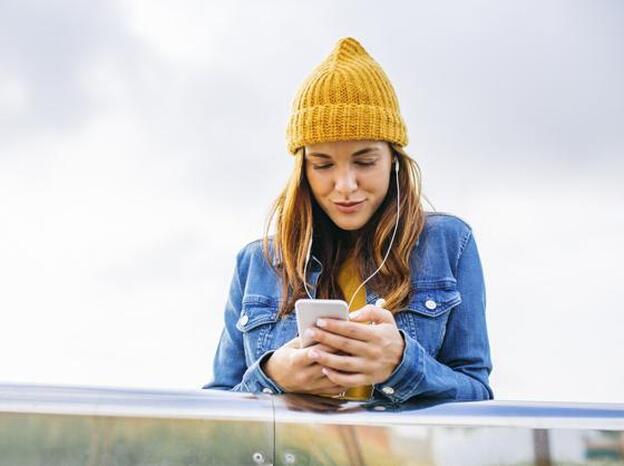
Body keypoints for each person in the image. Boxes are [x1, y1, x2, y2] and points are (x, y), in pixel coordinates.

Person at [203, 37, 493, 403]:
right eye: (322, 164)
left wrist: (403, 365)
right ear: (302, 170)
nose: (345, 186)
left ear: (394, 160)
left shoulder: (450, 242)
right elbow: (218, 405)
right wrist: (273, 375)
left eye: (365, 161)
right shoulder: (257, 263)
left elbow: (477, 395)